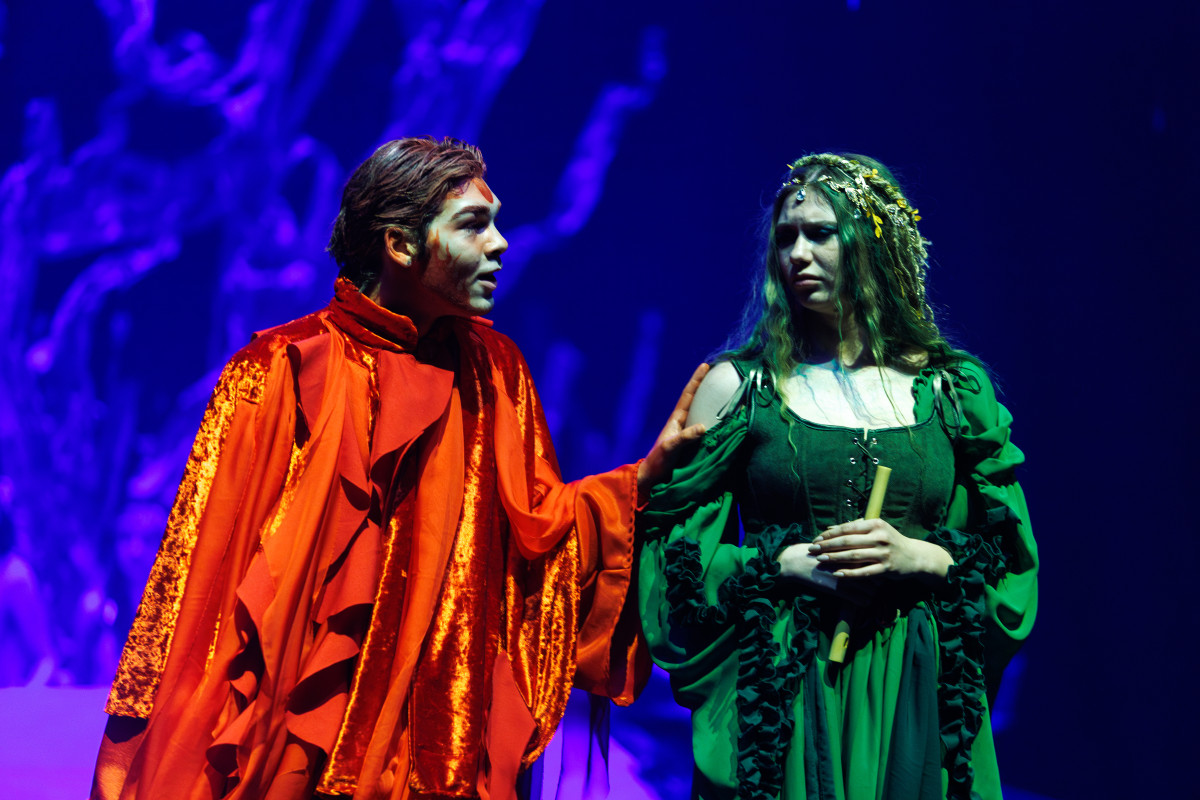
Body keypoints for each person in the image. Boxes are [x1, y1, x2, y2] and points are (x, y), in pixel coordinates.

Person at [91, 136, 706, 800]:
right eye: (473, 225)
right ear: (401, 245)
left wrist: (640, 483)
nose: (500, 243)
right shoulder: (283, 369)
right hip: (298, 730)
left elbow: (541, 530)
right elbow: (201, 574)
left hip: (438, 734)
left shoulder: (497, 371)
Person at [637, 153, 1037, 799]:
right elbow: (672, 562)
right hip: (786, 683)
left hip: (914, 680)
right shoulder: (740, 386)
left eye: (820, 233)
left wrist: (924, 558)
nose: (797, 253)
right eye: (786, 237)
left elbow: (1010, 561)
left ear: (875, 243)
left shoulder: (955, 392)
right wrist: (780, 565)